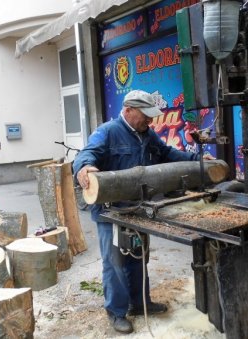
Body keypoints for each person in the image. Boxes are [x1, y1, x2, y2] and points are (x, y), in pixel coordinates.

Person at [73, 90, 208, 334]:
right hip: (111, 211)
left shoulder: (147, 134)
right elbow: (86, 154)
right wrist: (85, 168)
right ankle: (116, 312)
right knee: (115, 262)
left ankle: (140, 304)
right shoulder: (108, 131)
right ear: (128, 111)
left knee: (137, 257)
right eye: (146, 115)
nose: (151, 120)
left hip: (138, 208)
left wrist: (197, 159)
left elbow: (167, 154)